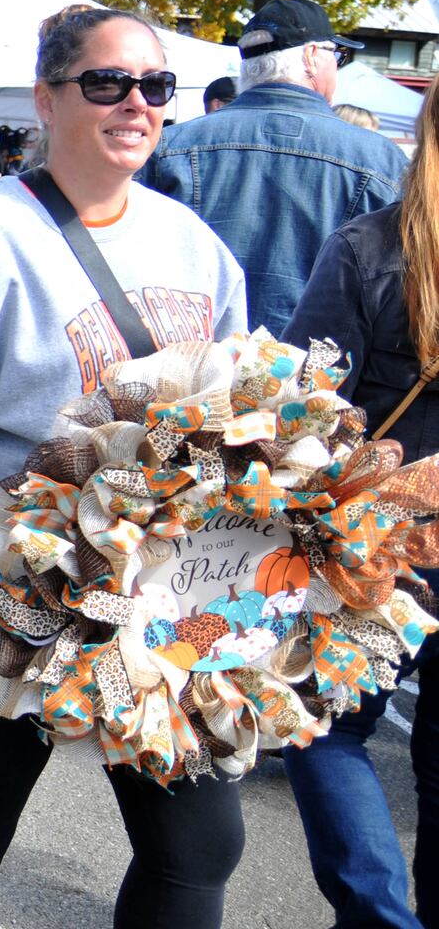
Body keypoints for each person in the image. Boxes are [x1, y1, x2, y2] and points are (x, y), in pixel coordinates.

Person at [0, 6, 248, 929]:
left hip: (155, 604)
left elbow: (239, 410)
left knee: (197, 844)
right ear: (47, 97)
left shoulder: (195, 243)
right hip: (9, 600)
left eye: (154, 85)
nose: (135, 103)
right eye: (106, 83)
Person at [279, 70, 439, 929]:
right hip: (396, 541)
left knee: (326, 725)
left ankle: (381, 919)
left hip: (382, 533)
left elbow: (308, 404)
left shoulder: (373, 246)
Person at [142, 0, 407, 334]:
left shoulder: (168, 148)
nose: (337, 68)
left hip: (192, 367)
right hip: (320, 375)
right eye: (336, 56)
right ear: (312, 57)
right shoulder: (380, 160)